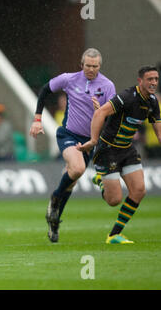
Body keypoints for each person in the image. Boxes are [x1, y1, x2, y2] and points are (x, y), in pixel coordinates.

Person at [29, 48, 116, 243]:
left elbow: (113, 117)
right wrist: (37, 119)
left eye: (95, 66)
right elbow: (45, 90)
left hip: (89, 140)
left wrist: (102, 112)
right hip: (68, 134)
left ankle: (54, 219)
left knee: (72, 179)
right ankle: (55, 199)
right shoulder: (69, 79)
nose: (91, 70)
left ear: (100, 66)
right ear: (81, 64)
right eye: (87, 66)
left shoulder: (108, 86)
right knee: (77, 168)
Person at [76, 66, 161, 244]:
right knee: (114, 200)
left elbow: (159, 132)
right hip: (108, 149)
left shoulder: (153, 102)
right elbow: (100, 112)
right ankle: (100, 180)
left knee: (139, 191)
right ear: (140, 81)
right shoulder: (127, 97)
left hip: (127, 149)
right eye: (150, 79)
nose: (153, 82)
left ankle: (114, 235)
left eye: (156, 79)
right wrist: (92, 140)